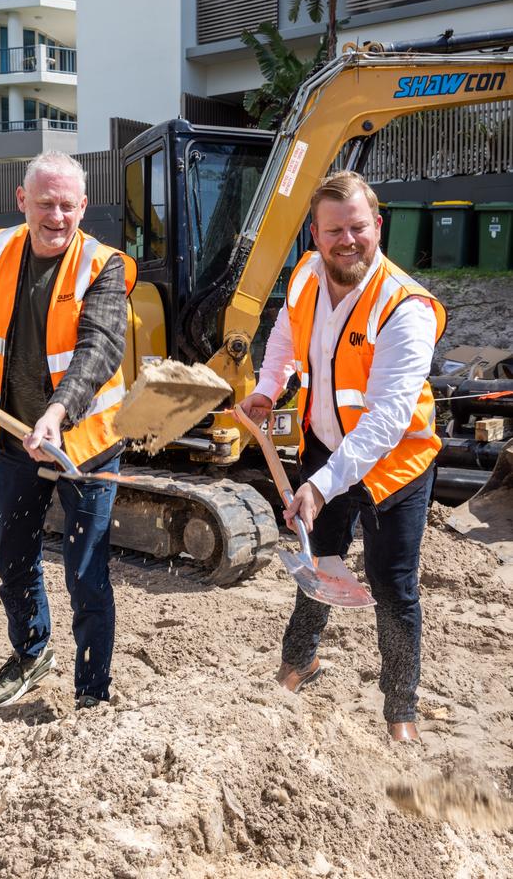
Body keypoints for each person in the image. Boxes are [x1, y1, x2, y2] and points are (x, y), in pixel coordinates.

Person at [239, 170, 445, 742]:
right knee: (317, 563)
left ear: (378, 227)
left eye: (358, 228)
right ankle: (298, 663)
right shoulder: (307, 273)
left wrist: (322, 484)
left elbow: (386, 419)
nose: (346, 241)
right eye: (334, 231)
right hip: (325, 446)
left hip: (396, 463)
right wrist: (266, 386)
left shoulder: (407, 307)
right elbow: (284, 334)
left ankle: (400, 710)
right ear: (314, 233)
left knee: (392, 581)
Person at [0, 151, 136, 711]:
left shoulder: (102, 264)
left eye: (67, 205)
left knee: (85, 575)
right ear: (22, 201)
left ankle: (91, 695)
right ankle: (32, 652)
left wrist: (58, 412)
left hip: (83, 445)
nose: (56, 217)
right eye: (45, 203)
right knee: (12, 559)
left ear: (84, 205)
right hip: (13, 439)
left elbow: (100, 347)